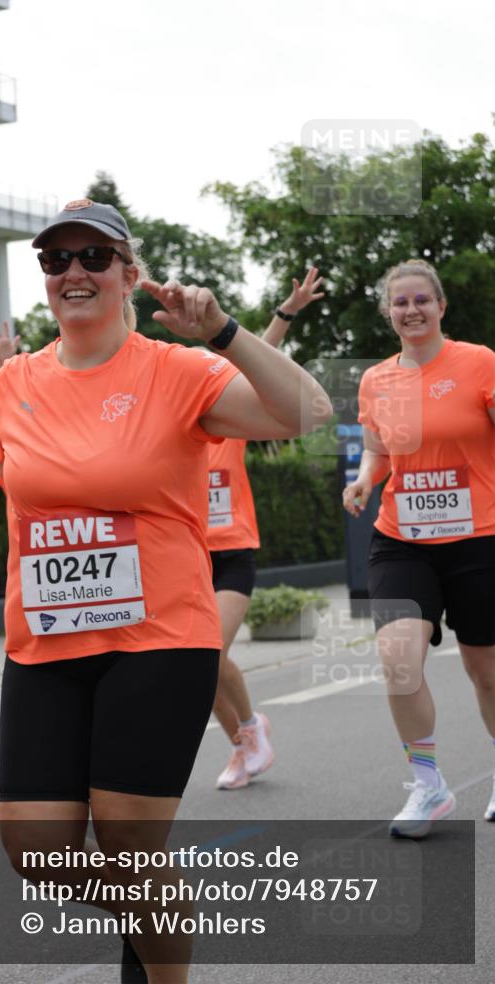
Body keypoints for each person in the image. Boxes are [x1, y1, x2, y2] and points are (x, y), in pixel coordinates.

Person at [0, 199, 332, 983]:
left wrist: (225, 334)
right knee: (38, 854)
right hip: (44, 645)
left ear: (130, 275)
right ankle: (160, 907)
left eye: (92, 258)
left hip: (160, 640)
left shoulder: (178, 370)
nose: (72, 272)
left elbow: (306, 412)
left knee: (132, 845)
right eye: (54, 260)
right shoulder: (17, 381)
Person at [343, 259, 495, 838]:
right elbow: (379, 451)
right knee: (399, 660)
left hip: (481, 537)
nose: (411, 311)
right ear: (388, 312)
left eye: (420, 300)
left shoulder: (478, 363)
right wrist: (363, 480)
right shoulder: (376, 380)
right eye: (399, 302)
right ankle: (428, 787)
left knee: (486, 670)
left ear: (440, 307)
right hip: (402, 540)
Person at [209, 269, 325, 790]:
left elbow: (255, 356)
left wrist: (286, 312)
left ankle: (250, 727)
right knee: (194, 666)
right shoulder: (165, 434)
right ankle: (242, 742)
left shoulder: (227, 427)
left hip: (232, 553)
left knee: (208, 651)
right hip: (182, 557)